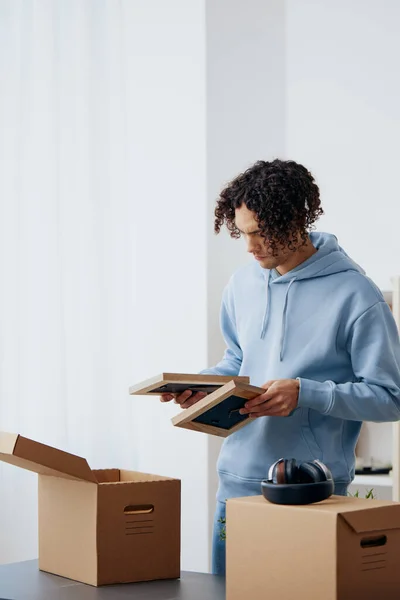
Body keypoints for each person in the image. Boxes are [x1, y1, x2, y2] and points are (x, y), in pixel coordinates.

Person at [160, 158, 400, 576]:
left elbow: (390, 397)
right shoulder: (242, 284)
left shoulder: (358, 296)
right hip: (235, 486)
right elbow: (238, 360)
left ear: (294, 221)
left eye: (259, 233)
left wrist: (305, 392)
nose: (250, 247)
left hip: (312, 493)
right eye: (243, 233)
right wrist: (203, 387)